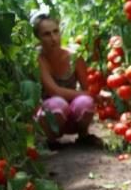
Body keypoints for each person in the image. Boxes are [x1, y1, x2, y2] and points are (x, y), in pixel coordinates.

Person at [32, 13, 100, 148]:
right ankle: (51, 140)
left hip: (74, 117)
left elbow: (87, 87)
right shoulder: (39, 59)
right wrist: (92, 95)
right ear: (38, 38)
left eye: (55, 32)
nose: (53, 38)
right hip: (52, 120)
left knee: (86, 103)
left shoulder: (74, 57)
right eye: (46, 34)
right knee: (57, 104)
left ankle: (83, 135)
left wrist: (91, 95)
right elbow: (54, 91)